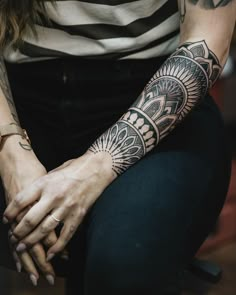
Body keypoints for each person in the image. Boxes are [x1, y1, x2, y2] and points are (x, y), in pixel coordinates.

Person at [0, 0, 235, 294]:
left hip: (156, 102)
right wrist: (10, 152)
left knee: (124, 262)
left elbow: (206, 42)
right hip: (17, 105)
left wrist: (97, 165)